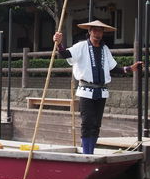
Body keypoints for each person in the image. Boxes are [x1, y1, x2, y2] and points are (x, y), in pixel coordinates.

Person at [53, 20, 142, 154]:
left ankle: (91, 152)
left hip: (101, 91)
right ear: (89, 31)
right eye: (94, 30)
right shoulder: (81, 46)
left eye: (100, 30)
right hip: (85, 91)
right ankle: (86, 153)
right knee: (87, 122)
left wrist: (130, 68)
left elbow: (113, 68)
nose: (97, 33)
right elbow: (65, 54)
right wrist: (59, 43)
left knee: (96, 124)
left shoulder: (105, 49)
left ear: (103, 33)